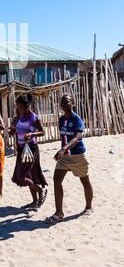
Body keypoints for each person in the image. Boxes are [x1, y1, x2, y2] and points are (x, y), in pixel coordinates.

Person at [47, 94, 94, 222]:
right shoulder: (61, 119)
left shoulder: (77, 119)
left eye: (67, 102)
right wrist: (62, 151)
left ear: (72, 103)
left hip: (78, 155)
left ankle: (89, 207)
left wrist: (64, 148)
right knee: (57, 180)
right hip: (65, 157)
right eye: (62, 102)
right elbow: (64, 137)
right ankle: (59, 212)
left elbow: (77, 137)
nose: (64, 104)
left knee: (84, 181)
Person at [10, 93, 48, 208]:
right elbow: (17, 130)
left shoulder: (34, 117)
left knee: (22, 177)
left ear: (27, 106)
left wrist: (32, 134)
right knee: (29, 175)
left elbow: (42, 132)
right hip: (21, 149)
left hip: (31, 149)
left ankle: (40, 191)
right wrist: (12, 131)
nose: (18, 109)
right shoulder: (19, 116)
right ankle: (34, 201)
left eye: (20, 106)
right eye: (17, 106)